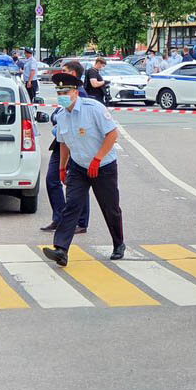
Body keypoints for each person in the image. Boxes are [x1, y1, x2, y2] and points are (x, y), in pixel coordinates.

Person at [42, 72, 124, 266]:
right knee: (72, 205)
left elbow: (112, 134)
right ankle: (61, 249)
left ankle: (118, 244)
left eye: (66, 92)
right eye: (59, 92)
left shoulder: (93, 108)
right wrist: (62, 168)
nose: (62, 96)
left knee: (110, 207)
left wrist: (97, 158)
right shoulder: (61, 116)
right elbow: (63, 142)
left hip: (103, 166)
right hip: (78, 167)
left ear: (76, 92)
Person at [41, 63, 90, 234]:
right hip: (61, 143)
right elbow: (58, 114)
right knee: (52, 179)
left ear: (73, 74)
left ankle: (81, 222)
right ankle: (60, 218)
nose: (61, 74)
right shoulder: (65, 93)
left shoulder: (80, 94)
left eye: (65, 71)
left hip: (75, 144)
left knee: (79, 184)